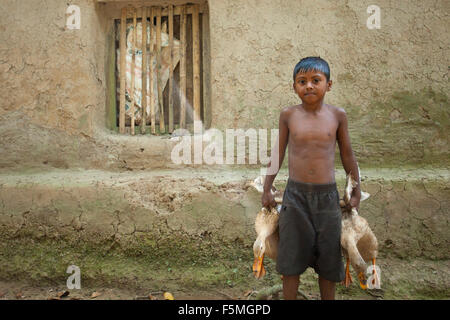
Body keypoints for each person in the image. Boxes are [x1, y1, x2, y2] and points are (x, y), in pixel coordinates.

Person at [262, 56, 361, 300]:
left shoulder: (338, 116)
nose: (308, 86)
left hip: (327, 199)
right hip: (295, 198)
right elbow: (278, 152)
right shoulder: (288, 115)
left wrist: (356, 188)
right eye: (301, 81)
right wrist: (267, 188)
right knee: (290, 257)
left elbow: (348, 154)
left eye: (315, 80)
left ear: (329, 84)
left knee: (329, 257)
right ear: (293, 86)